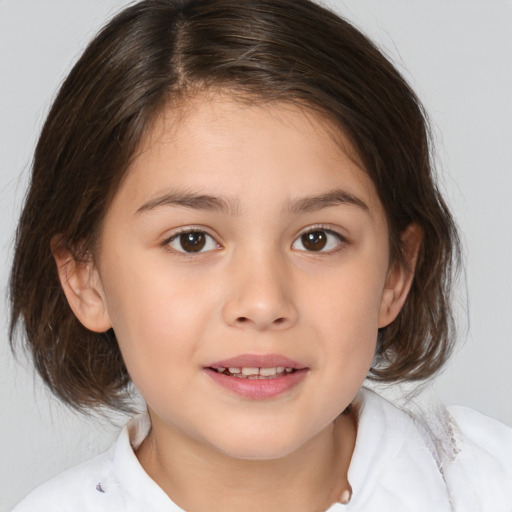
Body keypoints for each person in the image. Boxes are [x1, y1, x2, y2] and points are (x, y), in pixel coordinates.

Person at [8, 0, 512, 510]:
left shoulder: (489, 485)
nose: (264, 302)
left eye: (317, 238)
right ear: (85, 279)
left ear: (396, 273)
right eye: (192, 240)